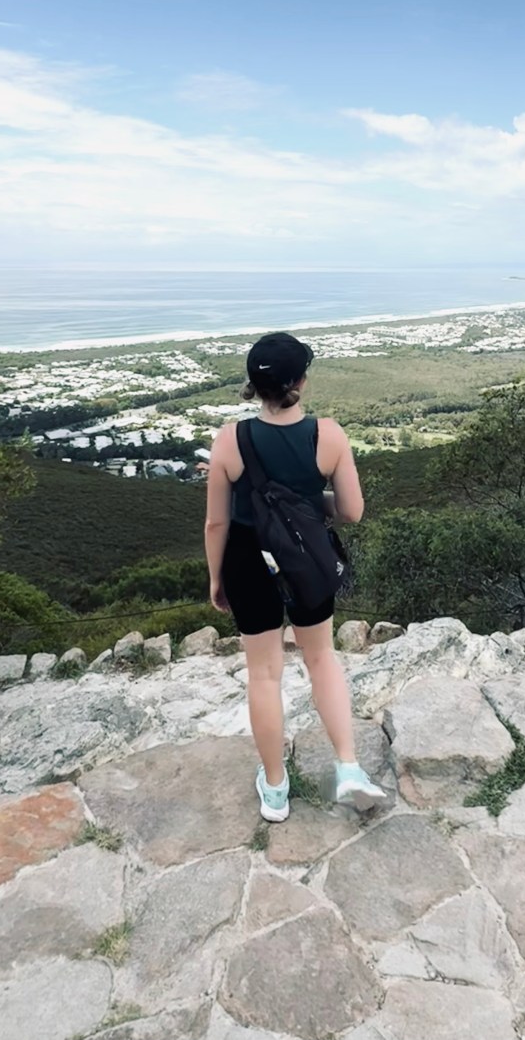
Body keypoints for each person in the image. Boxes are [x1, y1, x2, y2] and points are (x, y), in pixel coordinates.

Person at [204, 331, 386, 821]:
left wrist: (216, 577)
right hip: (305, 557)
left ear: (252, 385)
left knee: (263, 673)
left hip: (247, 559)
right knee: (322, 658)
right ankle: (348, 768)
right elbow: (351, 511)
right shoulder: (328, 435)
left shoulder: (229, 440)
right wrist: (308, 507)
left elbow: (216, 522)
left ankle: (277, 789)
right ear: (300, 381)